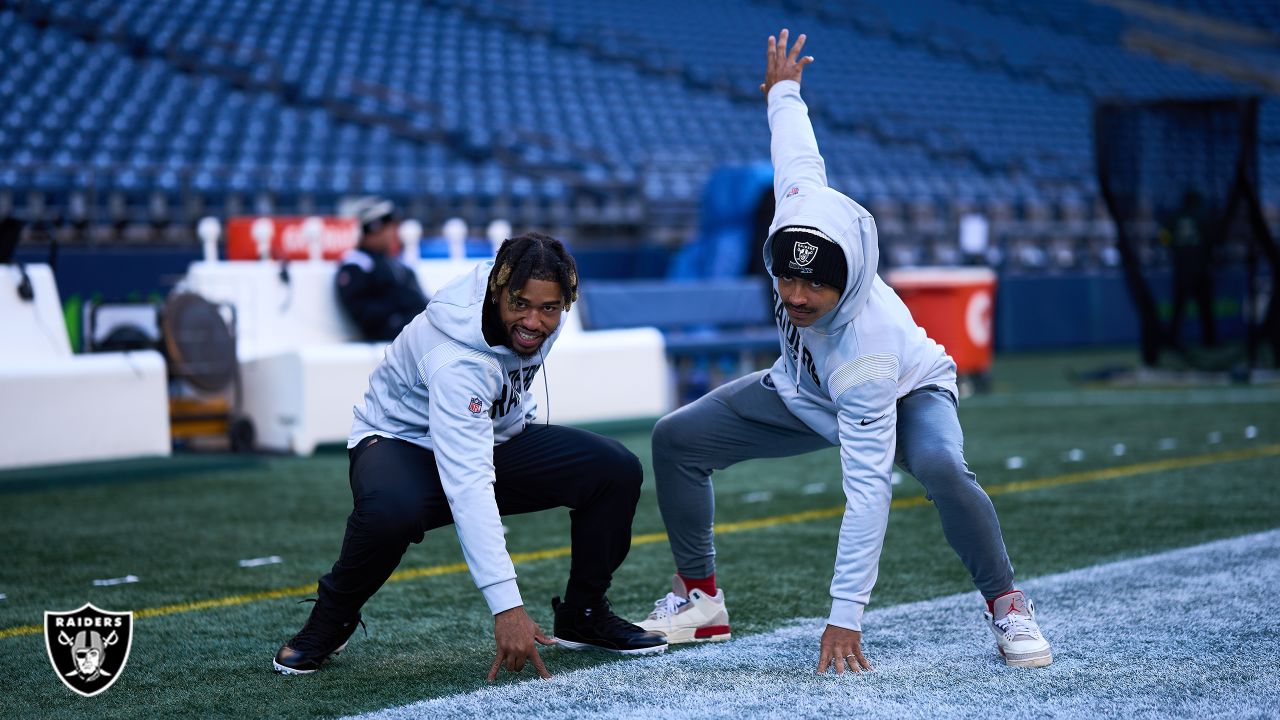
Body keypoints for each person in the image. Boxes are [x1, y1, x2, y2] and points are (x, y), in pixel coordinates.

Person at [637, 30, 1053, 672]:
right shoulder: (795, 216)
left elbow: (867, 491)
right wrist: (783, 92)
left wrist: (844, 617)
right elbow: (798, 154)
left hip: (902, 389)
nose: (796, 297)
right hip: (801, 388)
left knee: (939, 466)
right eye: (787, 278)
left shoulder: (869, 346)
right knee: (676, 439)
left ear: (848, 277)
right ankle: (700, 601)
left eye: (815, 284)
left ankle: (1007, 603)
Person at [275, 232, 667, 678]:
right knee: (391, 511)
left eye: (549, 309)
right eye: (520, 303)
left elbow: (509, 383)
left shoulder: (537, 305)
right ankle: (331, 620)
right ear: (497, 290)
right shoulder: (455, 356)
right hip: (400, 442)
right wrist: (507, 608)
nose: (534, 321)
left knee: (613, 469)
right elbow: (469, 484)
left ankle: (584, 615)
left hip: (489, 435)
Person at [335, 197, 429, 342]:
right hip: (390, 336)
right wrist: (399, 301)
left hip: (413, 330)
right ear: (374, 228)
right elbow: (362, 313)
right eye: (389, 228)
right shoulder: (357, 264)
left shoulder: (396, 263)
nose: (393, 234)